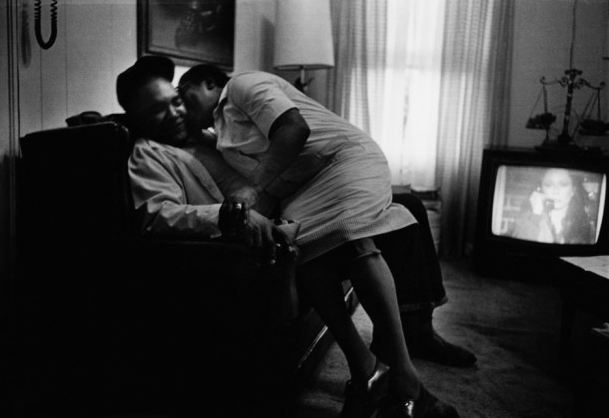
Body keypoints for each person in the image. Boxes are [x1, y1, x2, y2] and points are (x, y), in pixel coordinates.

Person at [174, 62, 461, 417]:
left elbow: (295, 128)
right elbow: (268, 173)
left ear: (208, 82)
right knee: (306, 260)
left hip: (342, 161)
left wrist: (252, 190)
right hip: (307, 186)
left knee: (351, 238)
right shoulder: (221, 135)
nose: (182, 106)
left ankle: (405, 376)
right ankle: (369, 371)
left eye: (183, 94)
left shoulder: (243, 86)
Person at [509, 168, 594, 244]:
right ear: (541, 189)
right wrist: (535, 216)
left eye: (563, 184)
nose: (556, 191)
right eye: (549, 185)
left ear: (573, 190)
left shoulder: (586, 226)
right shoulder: (527, 219)